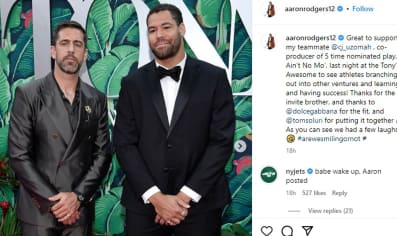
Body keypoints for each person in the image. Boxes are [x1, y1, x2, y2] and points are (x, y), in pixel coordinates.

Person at [113, 3, 235, 236]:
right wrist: (156, 198)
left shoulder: (214, 78)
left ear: (182, 29)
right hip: (144, 205)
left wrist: (184, 197)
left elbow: (221, 141)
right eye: (152, 30)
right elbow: (124, 143)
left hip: (201, 204)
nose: (159, 35)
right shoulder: (132, 84)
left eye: (166, 27)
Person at [8, 20, 111, 236]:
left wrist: (77, 197)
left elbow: (102, 154)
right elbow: (19, 155)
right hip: (40, 211)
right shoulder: (28, 94)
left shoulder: (97, 99)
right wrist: (55, 202)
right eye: (64, 43)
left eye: (78, 44)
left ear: (85, 54)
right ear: (53, 51)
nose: (71, 50)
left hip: (78, 210)